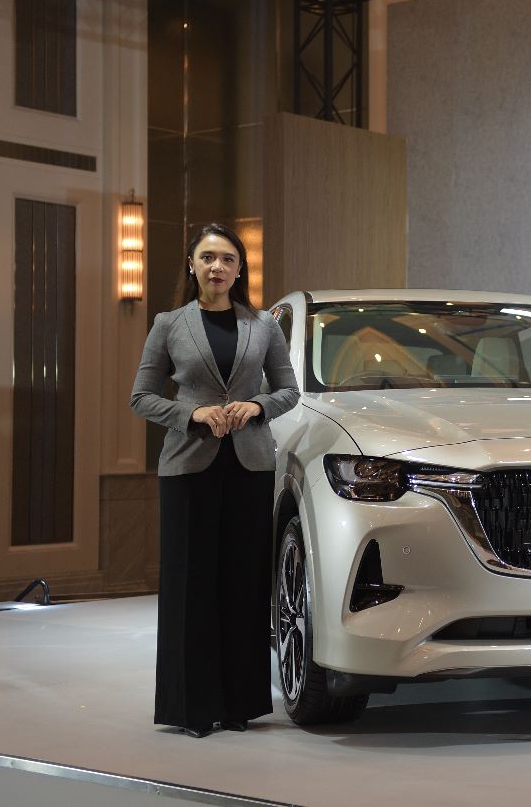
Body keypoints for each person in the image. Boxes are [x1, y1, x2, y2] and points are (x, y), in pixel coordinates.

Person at [130, 222, 299, 738]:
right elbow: (141, 397)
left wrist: (257, 405)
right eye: (207, 257)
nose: (217, 267)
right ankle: (192, 707)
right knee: (190, 584)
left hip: (250, 466)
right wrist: (192, 414)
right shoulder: (168, 324)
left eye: (227, 258)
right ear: (192, 265)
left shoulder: (263, 325)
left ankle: (240, 704)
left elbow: (288, 390)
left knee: (244, 582)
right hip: (188, 466)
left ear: (240, 268)